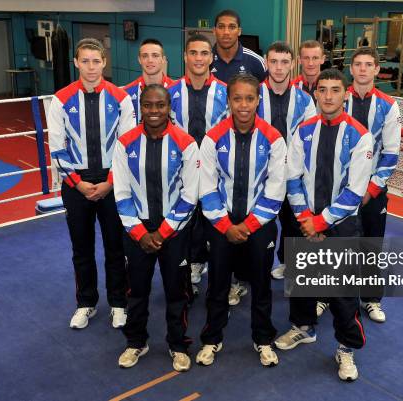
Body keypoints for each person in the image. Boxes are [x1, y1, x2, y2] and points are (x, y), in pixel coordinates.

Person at [275, 68, 372, 382]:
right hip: (306, 221)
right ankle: (303, 328)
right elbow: (292, 178)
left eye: (334, 90)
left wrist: (320, 222)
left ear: (345, 93)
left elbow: (356, 191)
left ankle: (346, 348)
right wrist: (305, 219)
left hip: (340, 225)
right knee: (303, 281)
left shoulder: (360, 135)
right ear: (314, 93)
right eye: (323, 90)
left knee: (343, 294)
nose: (328, 96)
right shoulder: (303, 131)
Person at [196, 74, 286, 367]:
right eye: (238, 98)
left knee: (261, 285)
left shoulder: (274, 139)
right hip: (222, 223)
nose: (244, 105)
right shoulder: (212, 138)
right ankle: (211, 338)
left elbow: (275, 191)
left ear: (258, 100)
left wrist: (247, 227)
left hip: (258, 224)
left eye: (250, 98)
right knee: (218, 285)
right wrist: (225, 226)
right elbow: (206, 188)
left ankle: (263, 339)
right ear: (229, 101)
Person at [48, 38, 136, 330]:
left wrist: (111, 182)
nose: (90, 67)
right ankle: (86, 303)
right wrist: (78, 184)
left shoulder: (120, 98)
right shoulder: (61, 99)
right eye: (84, 61)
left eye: (95, 61)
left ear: (104, 62)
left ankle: (118, 303)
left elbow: (127, 146)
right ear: (75, 63)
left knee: (116, 247)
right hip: (77, 184)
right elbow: (57, 148)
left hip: (112, 182)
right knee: (81, 248)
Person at [113, 84, 200, 372]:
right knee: (136, 291)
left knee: (177, 292)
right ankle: (136, 342)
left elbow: (190, 194)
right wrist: (140, 232)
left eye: (159, 105)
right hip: (137, 230)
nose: (153, 111)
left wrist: (163, 232)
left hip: (173, 231)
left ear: (169, 108)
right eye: (148, 105)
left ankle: (178, 345)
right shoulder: (125, 143)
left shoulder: (185, 143)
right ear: (141, 107)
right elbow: (122, 193)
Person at [344, 47, 400, 323]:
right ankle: (324, 295)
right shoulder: (338, 98)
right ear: (351, 69)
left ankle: (370, 298)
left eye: (369, 64)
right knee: (333, 242)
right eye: (358, 64)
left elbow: (391, 153)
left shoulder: (389, 105)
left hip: (372, 190)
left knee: (370, 244)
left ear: (377, 69)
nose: (363, 69)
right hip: (339, 189)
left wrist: (372, 189)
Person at [168, 33, 228, 290]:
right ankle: (190, 265)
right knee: (184, 223)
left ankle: (221, 276)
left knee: (216, 224)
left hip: (216, 172)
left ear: (211, 58)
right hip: (181, 172)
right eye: (193, 53)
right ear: (185, 56)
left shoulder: (226, 92)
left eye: (204, 53)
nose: (198, 58)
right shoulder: (170, 92)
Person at [257, 41, 316, 281]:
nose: (279, 68)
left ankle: (289, 263)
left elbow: (310, 139)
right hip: (260, 174)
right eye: (273, 62)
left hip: (294, 174)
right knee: (259, 226)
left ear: (292, 64)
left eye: (284, 62)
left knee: (293, 224)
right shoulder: (253, 95)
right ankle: (248, 273)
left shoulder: (305, 100)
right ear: (266, 62)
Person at [122, 38, 174, 123]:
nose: (150, 60)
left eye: (155, 55)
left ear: (163, 60)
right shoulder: (126, 93)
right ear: (139, 60)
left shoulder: (177, 90)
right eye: (145, 56)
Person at [210, 9, 266, 83]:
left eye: (232, 27)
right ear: (214, 31)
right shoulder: (203, 60)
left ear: (239, 31)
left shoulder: (256, 61)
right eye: (221, 27)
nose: (226, 32)